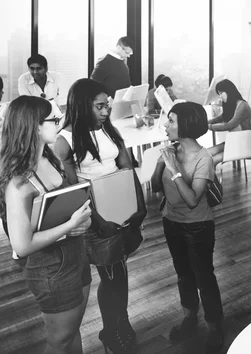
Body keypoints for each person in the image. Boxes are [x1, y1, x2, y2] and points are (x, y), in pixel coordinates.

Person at [53, 78, 146, 353]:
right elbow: (74, 190)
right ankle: (112, 330)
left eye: (108, 105)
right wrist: (99, 222)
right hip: (97, 217)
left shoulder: (107, 128)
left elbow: (127, 166)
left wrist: (139, 206)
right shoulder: (65, 139)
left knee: (119, 273)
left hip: (122, 209)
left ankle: (120, 322)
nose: (106, 111)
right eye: (100, 106)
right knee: (113, 275)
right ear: (82, 106)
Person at [0, 96, 94, 354]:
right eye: (54, 119)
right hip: (51, 268)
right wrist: (69, 225)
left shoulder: (49, 157)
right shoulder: (18, 182)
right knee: (59, 342)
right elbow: (23, 244)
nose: (60, 123)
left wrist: (78, 223)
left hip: (75, 254)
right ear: (35, 126)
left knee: (72, 332)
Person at [150, 102, 225, 352]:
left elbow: (193, 201)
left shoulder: (203, 159)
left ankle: (215, 327)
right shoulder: (172, 150)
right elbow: (154, 187)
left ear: (186, 125)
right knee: (183, 275)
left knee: (204, 277)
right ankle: (190, 317)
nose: (165, 125)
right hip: (171, 222)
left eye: (171, 121)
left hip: (197, 227)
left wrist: (173, 168)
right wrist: (161, 162)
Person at [207, 79, 251, 166]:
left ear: (229, 91)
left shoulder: (242, 105)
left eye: (221, 93)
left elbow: (228, 125)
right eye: (218, 94)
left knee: (210, 160)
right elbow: (223, 117)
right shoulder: (233, 105)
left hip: (245, 145)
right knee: (206, 155)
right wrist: (208, 122)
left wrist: (209, 126)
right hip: (235, 142)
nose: (220, 96)